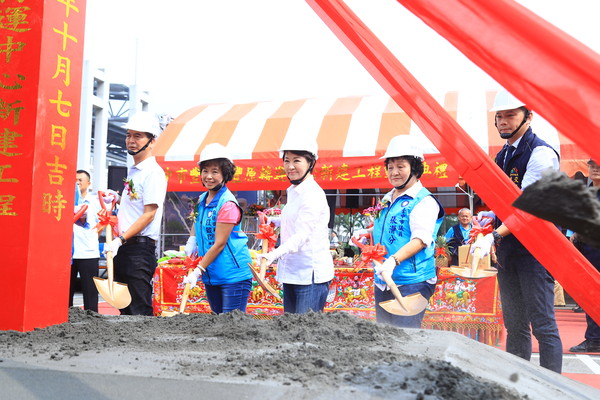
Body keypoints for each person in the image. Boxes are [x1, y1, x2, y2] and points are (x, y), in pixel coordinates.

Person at [471, 89, 563, 373]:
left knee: (543, 324)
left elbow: (529, 205)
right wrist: (486, 220)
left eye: (510, 114)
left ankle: (554, 389)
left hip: (536, 252)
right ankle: (519, 383)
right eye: (499, 116)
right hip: (510, 252)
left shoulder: (542, 153)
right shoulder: (503, 155)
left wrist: (495, 235)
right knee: (515, 324)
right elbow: (503, 204)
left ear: (529, 116)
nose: (503, 121)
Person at [372, 135, 444, 328]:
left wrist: (393, 260)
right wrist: (365, 232)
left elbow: (420, 239)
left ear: (415, 168)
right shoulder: (388, 198)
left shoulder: (424, 201)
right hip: (383, 279)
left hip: (412, 282)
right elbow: (390, 228)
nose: (394, 172)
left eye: (401, 166)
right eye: (390, 166)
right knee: (384, 337)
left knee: (406, 338)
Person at [258, 138, 334, 313]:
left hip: (309, 275)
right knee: (291, 330)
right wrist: (273, 221)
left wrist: (273, 254)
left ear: (311, 163)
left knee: (305, 333)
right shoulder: (293, 192)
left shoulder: (312, 194)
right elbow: (294, 220)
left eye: (296, 161)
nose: (290, 166)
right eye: (287, 161)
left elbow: (301, 235)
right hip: (292, 272)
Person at [104, 111, 167, 316]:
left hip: (139, 249)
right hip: (124, 248)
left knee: (138, 310)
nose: (131, 141)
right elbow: (136, 205)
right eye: (129, 135)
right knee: (125, 309)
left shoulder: (153, 172)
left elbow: (149, 214)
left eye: (138, 136)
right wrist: (117, 200)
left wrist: (120, 239)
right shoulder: (135, 170)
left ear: (152, 141)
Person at [182, 143, 253, 314]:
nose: (209, 176)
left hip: (233, 275)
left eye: (215, 171)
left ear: (225, 174)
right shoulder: (201, 199)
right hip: (212, 274)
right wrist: (191, 240)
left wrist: (198, 269)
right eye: (205, 171)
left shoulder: (227, 203)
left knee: (231, 326)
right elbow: (196, 222)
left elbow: (220, 243)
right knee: (217, 324)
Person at [569, 159, 600, 353]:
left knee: (594, 294)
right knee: (591, 294)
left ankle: (595, 338)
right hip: (588, 248)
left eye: (599, 166)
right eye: (592, 165)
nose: (595, 169)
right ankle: (595, 337)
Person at [70, 170, 101, 312]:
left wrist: (93, 235)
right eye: (75, 179)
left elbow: (103, 223)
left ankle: (92, 318)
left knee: (90, 290)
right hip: (69, 252)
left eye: (80, 179)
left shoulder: (95, 202)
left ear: (88, 183)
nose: (77, 182)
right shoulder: (67, 200)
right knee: (67, 290)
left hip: (88, 252)